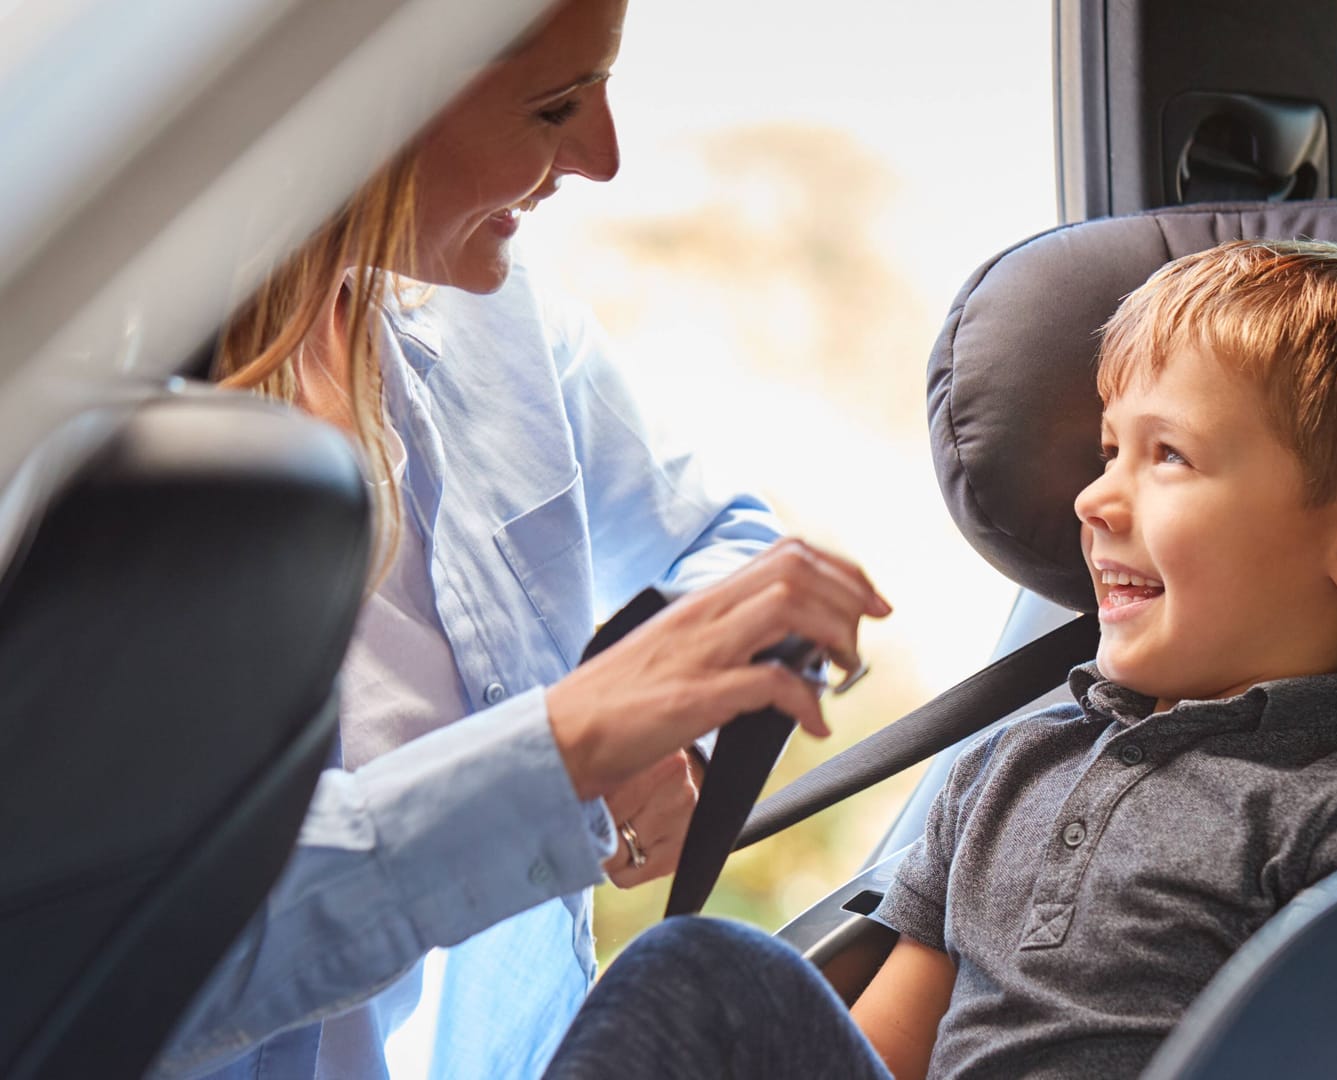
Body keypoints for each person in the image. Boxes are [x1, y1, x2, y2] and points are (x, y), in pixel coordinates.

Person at [541, 238, 1337, 1079]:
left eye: (1169, 457)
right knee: (698, 975)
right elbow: (889, 1053)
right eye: (1110, 451)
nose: (1093, 501)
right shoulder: (1008, 769)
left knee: (699, 967)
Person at [149, 1, 891, 1078]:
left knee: (720, 987)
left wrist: (650, 714)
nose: (604, 156)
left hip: (503, 1050)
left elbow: (725, 540)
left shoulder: (497, 329)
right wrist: (564, 747)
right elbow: (161, 952)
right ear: (359, 116)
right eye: (553, 106)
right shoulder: (102, 474)